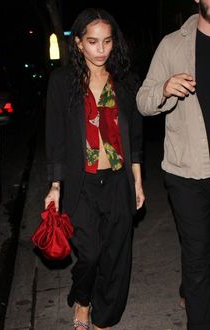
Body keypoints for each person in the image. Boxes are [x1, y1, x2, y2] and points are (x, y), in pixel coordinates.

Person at [44, 8, 145, 330]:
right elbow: (55, 137)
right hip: (81, 183)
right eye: (92, 42)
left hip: (118, 181)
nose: (101, 49)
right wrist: (55, 186)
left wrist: (138, 182)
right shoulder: (62, 82)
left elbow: (137, 135)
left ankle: (104, 317)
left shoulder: (125, 82)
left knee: (116, 255)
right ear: (78, 44)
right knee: (89, 253)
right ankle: (83, 298)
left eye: (107, 41)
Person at [136, 1, 210, 329]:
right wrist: (164, 89)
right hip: (187, 172)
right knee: (198, 258)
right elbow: (142, 101)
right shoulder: (173, 43)